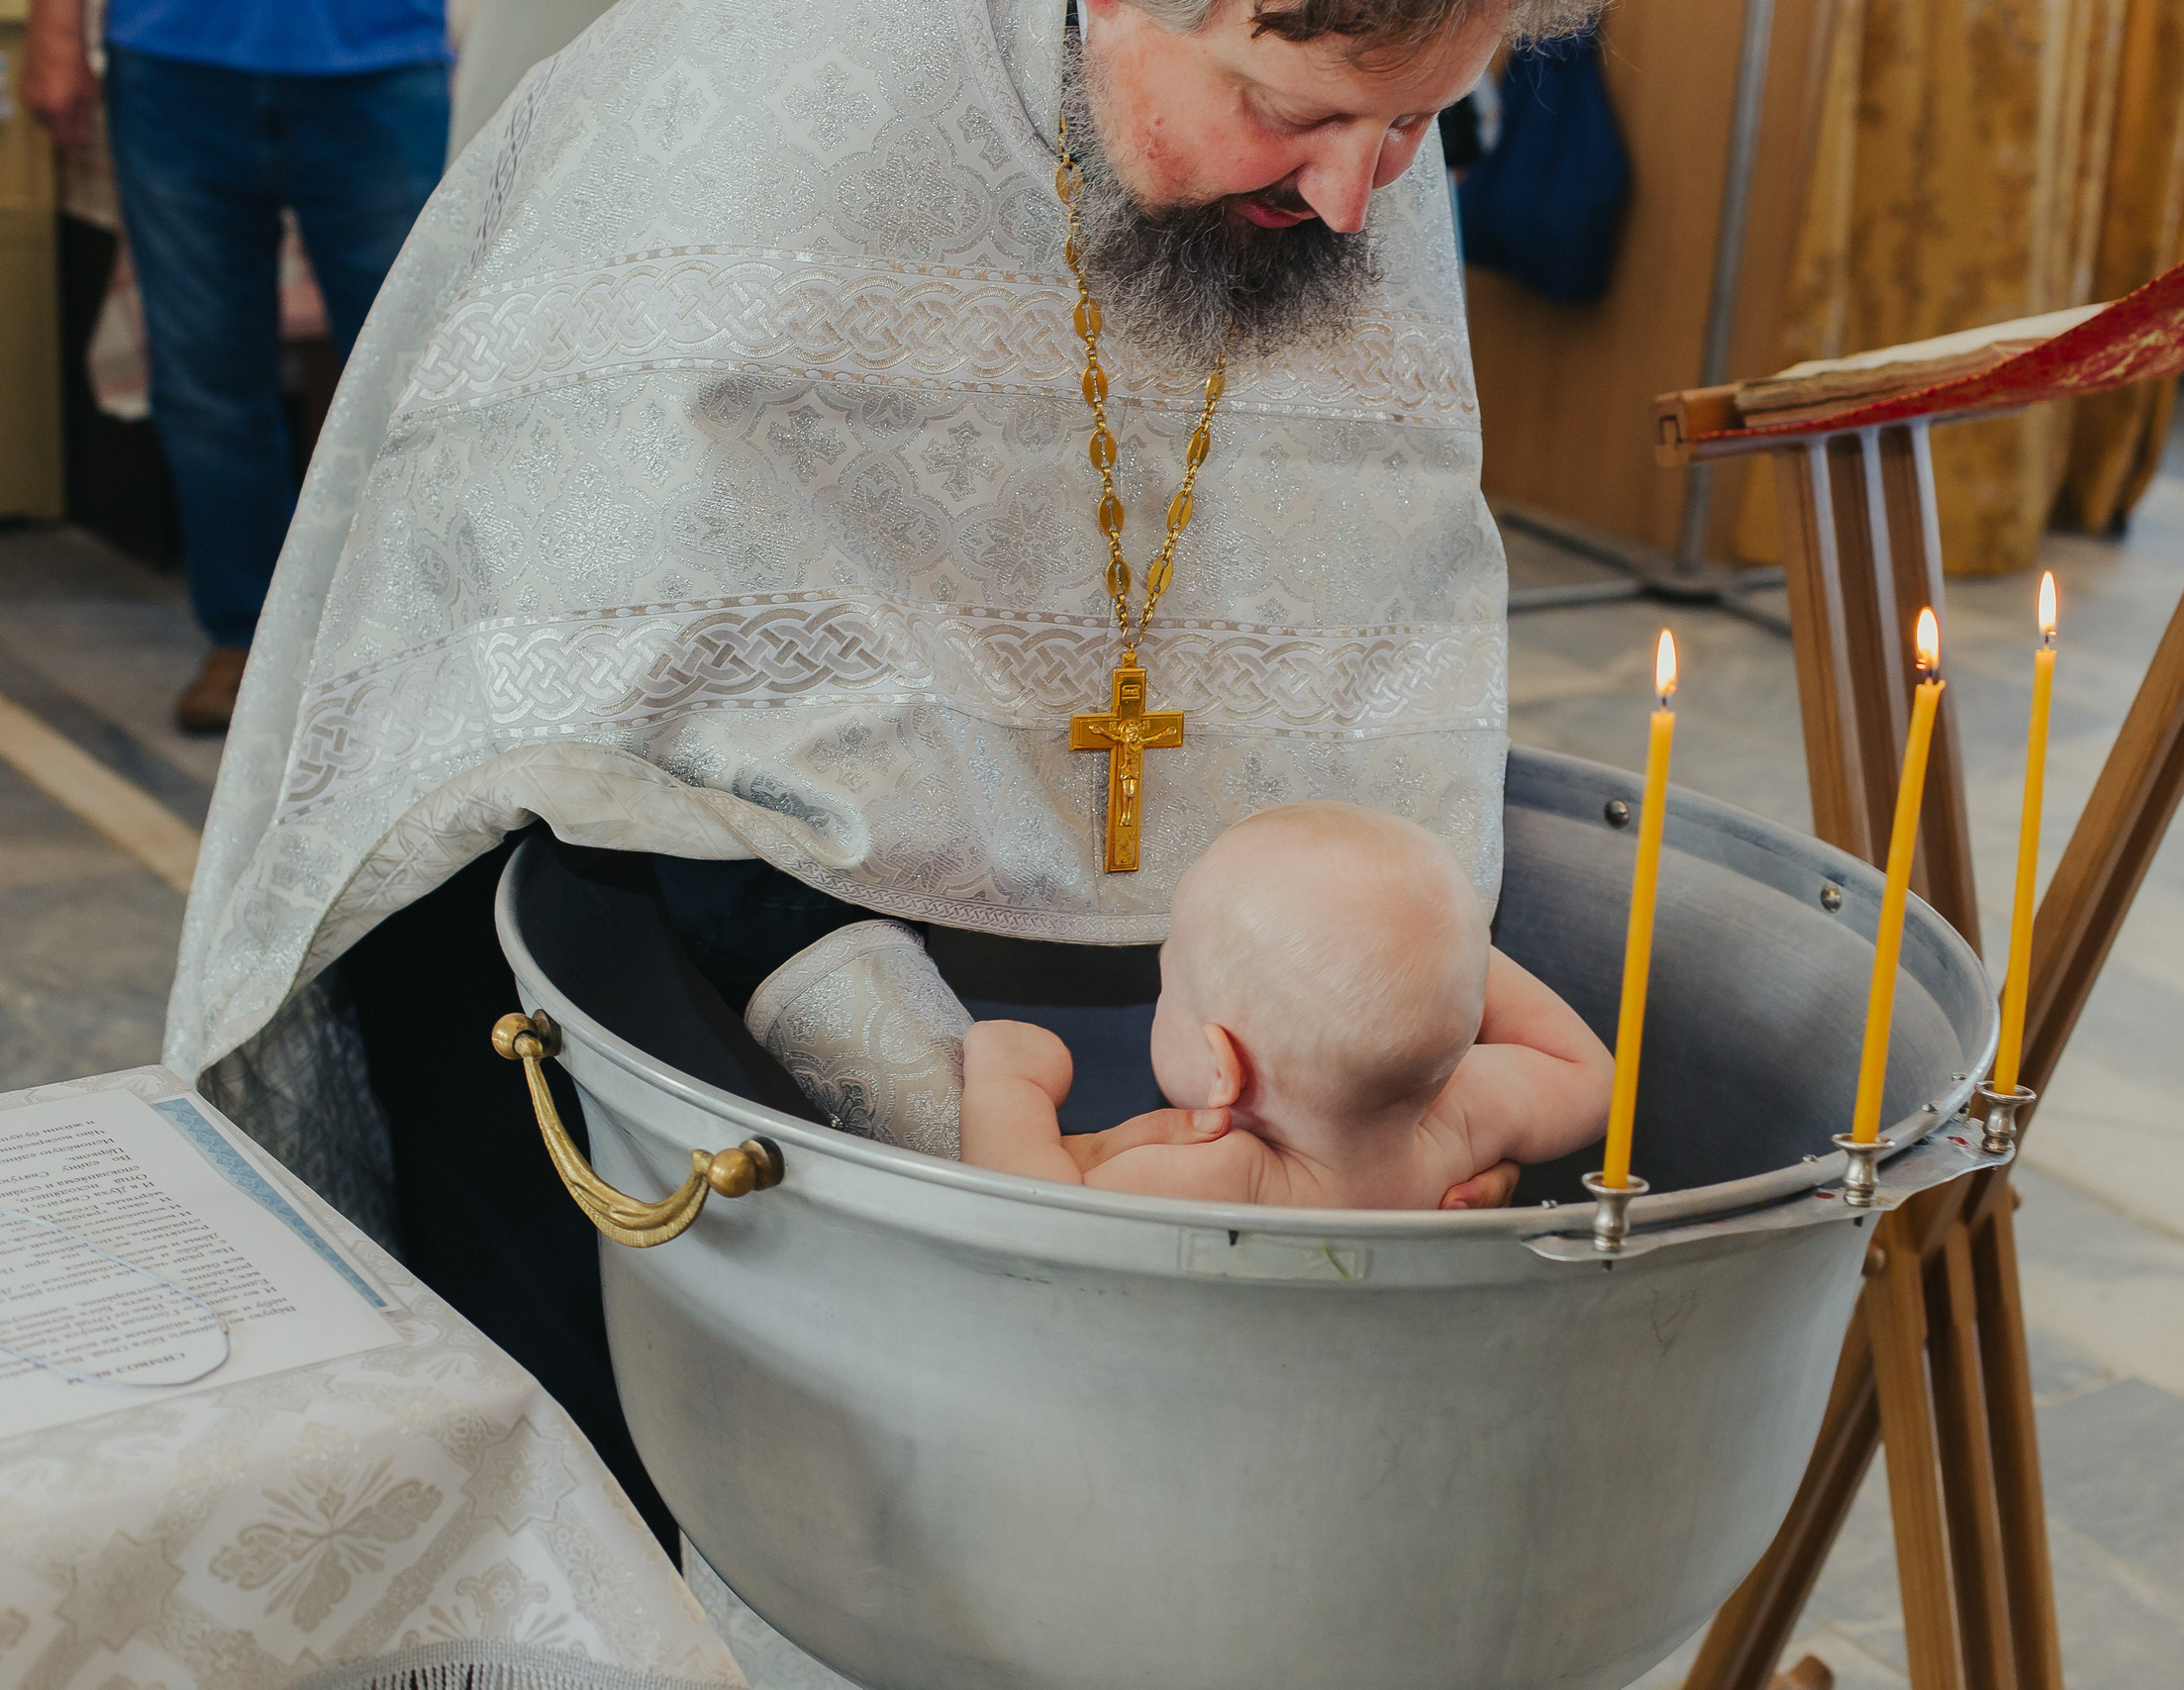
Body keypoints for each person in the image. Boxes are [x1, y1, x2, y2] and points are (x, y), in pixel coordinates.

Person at [162, 0, 1606, 1551]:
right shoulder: (763, 101)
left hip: (1112, 1060)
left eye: (1412, 128)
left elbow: (1365, 609)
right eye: (1291, 112)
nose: (1351, 199)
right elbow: (632, 688)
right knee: (646, 1525)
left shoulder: (1348, 115)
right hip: (628, 961)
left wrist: (1374, 1016)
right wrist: (969, 1144)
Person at [21, 0, 450, 734]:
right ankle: (245, 638)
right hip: (174, 60)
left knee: (417, 384)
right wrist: (55, 32)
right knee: (205, 384)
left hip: (374, 58)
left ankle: (420, 638)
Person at [961, 803, 1614, 1206]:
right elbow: (1591, 1073)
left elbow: (1030, 1221)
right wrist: (1438, 957)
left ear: (1225, 1068)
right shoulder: (1461, 1124)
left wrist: (1007, 1083)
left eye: (1169, 984)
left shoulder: (1227, 1179)